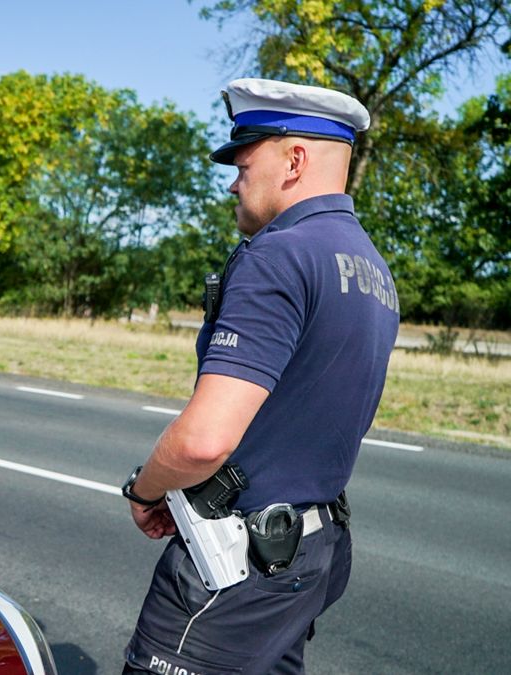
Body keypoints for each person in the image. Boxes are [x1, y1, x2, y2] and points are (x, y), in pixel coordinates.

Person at [119, 79, 399, 674]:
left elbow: (204, 440)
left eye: (244, 163)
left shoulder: (278, 255)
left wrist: (147, 490)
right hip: (309, 555)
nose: (232, 180)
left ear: (293, 160)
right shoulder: (372, 269)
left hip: (239, 565)